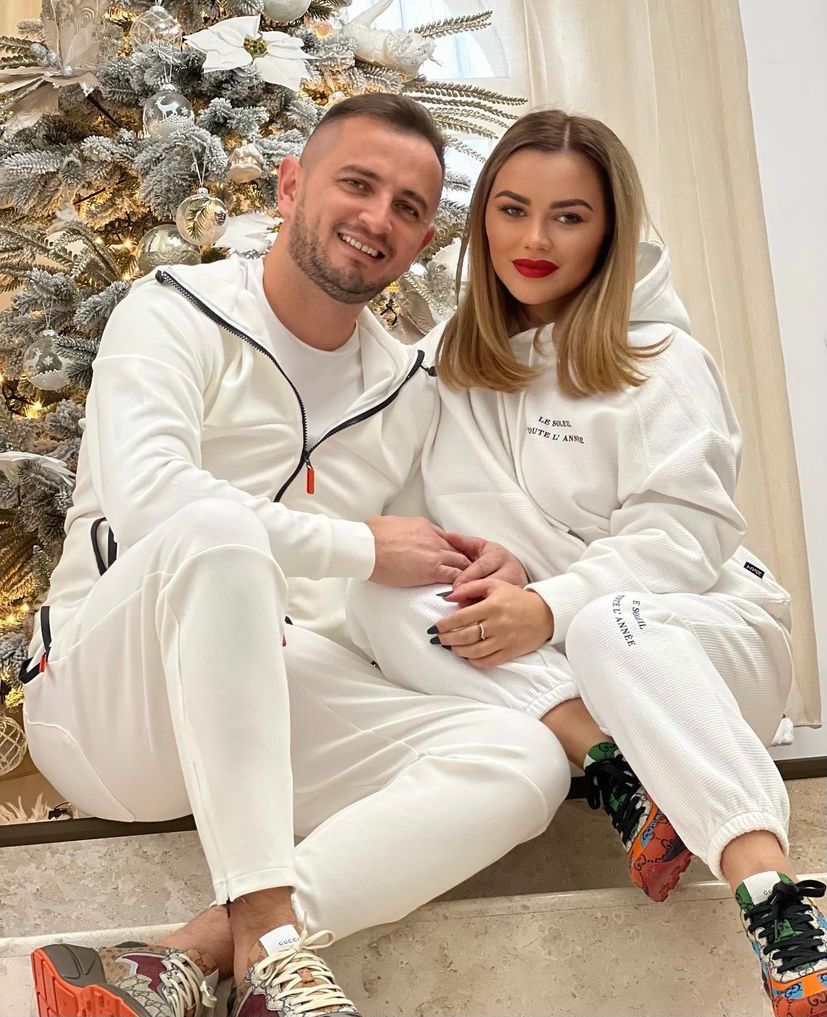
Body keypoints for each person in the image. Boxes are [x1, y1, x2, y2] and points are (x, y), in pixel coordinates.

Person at [22, 95, 571, 1017]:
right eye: (357, 184)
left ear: (422, 238)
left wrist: (501, 571)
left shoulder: (408, 389)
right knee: (215, 532)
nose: (377, 217)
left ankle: (192, 956)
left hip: (274, 703)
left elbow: (419, 568)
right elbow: (152, 500)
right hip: (109, 707)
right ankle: (275, 938)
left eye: (407, 206)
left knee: (520, 756)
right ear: (289, 186)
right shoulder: (170, 311)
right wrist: (357, 545)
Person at [347, 109, 827, 1016]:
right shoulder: (443, 364)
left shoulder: (661, 359)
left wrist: (548, 601)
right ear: (481, 217)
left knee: (609, 621)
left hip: (690, 643)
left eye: (567, 217)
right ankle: (613, 773)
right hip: (560, 669)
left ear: (609, 231)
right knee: (373, 582)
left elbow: (682, 538)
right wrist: (500, 566)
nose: (533, 240)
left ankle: (779, 906)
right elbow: (377, 497)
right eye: (512, 210)